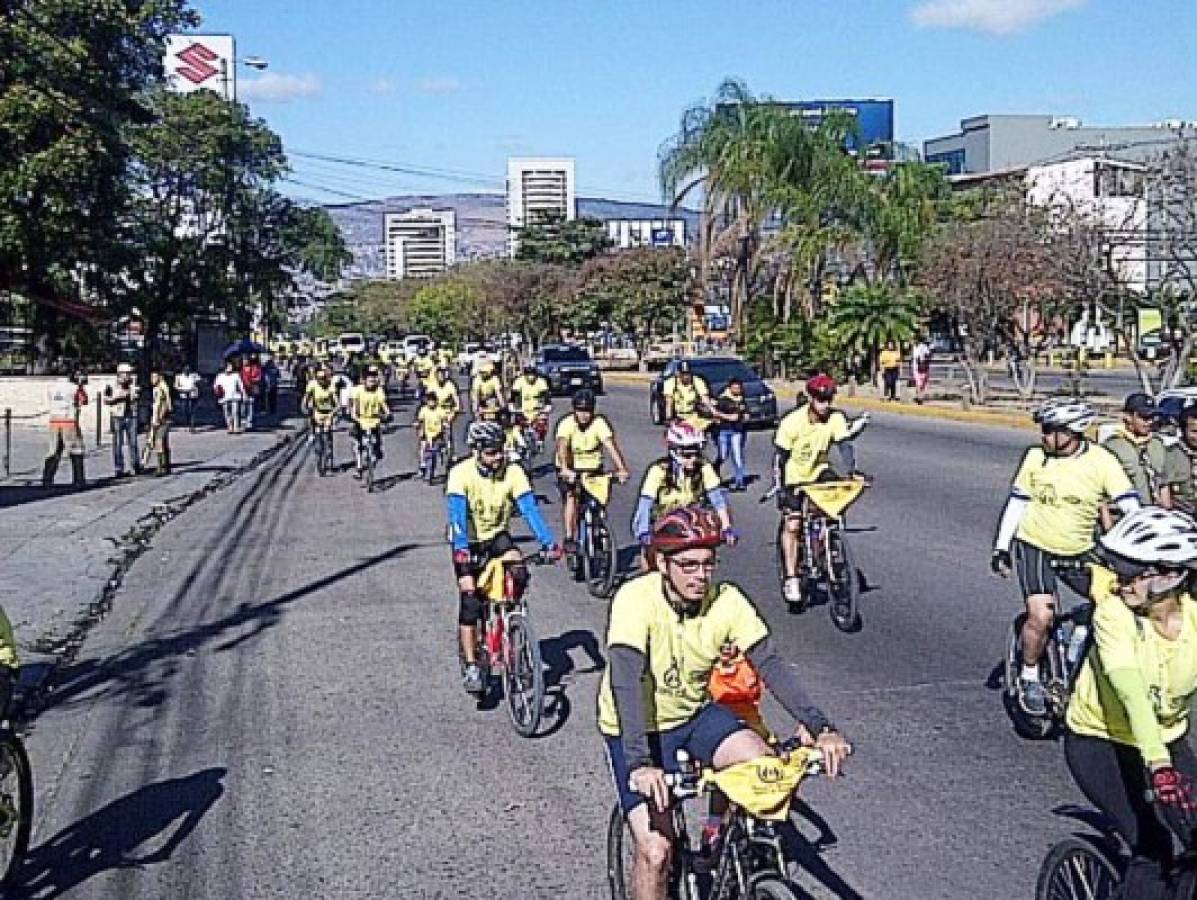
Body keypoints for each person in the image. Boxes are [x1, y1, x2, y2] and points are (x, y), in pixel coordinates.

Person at [599, 506, 850, 900]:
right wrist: (640, 763)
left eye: (707, 563)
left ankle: (723, 841)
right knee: (655, 851)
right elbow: (625, 681)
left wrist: (822, 728)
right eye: (688, 565)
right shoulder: (635, 599)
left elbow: (769, 663)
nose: (700, 575)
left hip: (694, 714)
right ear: (662, 564)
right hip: (638, 731)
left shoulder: (727, 600)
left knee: (763, 764)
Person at [1064, 508, 1197, 899]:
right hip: (1099, 740)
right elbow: (1131, 693)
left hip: (1167, 739)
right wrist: (1158, 764)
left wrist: (1163, 756)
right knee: (1152, 848)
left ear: (1169, 576)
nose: (1118, 583)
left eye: (1128, 574)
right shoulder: (1113, 615)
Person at [991, 398, 1141, 717]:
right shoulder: (1035, 458)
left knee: (1116, 604)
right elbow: (1017, 503)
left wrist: (1144, 545)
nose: (1043, 437)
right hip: (1035, 547)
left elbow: (1130, 505)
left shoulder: (1102, 461)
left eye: (1050, 430)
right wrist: (1001, 547)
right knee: (1041, 617)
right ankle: (1030, 675)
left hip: (1080, 549)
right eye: (1043, 430)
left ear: (1072, 432)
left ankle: (1077, 649)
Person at [446, 421, 559, 694]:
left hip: (497, 537)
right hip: (468, 542)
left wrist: (549, 542)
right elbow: (457, 517)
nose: (498, 458)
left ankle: (512, 619)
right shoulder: (461, 474)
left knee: (519, 569)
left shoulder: (513, 472)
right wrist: (462, 553)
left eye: (500, 452)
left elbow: (529, 509)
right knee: (471, 601)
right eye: (491, 453)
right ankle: (473, 664)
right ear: (477, 452)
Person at [774, 374, 868, 606]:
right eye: (820, 399)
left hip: (820, 472)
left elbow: (845, 446)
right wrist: (782, 488)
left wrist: (852, 472)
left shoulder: (836, 419)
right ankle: (792, 577)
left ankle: (829, 543)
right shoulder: (792, 423)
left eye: (828, 399)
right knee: (793, 524)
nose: (825, 404)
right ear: (810, 398)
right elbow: (781, 459)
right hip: (795, 477)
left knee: (834, 504)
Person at [633, 421, 732, 549]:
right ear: (674, 452)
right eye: (687, 455)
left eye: (696, 454)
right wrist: (643, 532)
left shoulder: (704, 466)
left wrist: (726, 528)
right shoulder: (658, 470)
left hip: (693, 523)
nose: (693, 459)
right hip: (662, 525)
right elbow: (645, 504)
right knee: (653, 561)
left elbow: (717, 499)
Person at [555, 389, 631, 555]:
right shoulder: (567, 424)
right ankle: (569, 537)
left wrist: (622, 468)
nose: (584, 415)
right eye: (580, 410)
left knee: (599, 500)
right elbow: (562, 446)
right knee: (572, 497)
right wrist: (564, 468)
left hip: (593, 470)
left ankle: (599, 531)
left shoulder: (599, 423)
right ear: (574, 410)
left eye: (587, 411)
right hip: (571, 470)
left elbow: (610, 446)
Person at [1102, 393, 1185, 508]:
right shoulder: (1112, 447)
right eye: (1144, 417)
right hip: (1125, 512)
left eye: (1152, 417)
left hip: (1155, 512)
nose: (1149, 422)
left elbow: (1163, 482)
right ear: (1128, 417)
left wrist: (1167, 510)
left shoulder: (1157, 444)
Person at [42, 370, 88, 490]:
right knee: (76, 451)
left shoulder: (51, 388)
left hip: (54, 421)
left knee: (54, 452)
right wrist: (81, 386)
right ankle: (79, 480)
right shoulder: (74, 388)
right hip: (69, 421)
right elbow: (83, 400)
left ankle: (47, 479)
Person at [348, 366, 390, 478]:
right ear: (364, 381)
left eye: (374, 380)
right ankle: (359, 467)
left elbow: (384, 404)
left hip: (374, 420)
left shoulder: (379, 390)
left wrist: (387, 414)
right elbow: (352, 405)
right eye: (370, 380)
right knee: (357, 444)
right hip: (360, 420)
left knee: (377, 450)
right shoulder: (357, 390)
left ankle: (372, 464)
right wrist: (353, 415)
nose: (372, 383)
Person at [711, 377, 749, 491]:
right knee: (723, 455)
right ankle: (714, 472)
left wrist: (745, 416)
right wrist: (727, 417)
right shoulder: (723, 400)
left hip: (737, 431)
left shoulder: (742, 400)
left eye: (739, 387)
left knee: (737, 457)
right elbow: (715, 415)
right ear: (730, 387)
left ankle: (740, 482)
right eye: (735, 387)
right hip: (724, 431)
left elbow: (743, 414)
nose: (738, 390)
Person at [105, 363, 140, 476]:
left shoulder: (133, 383)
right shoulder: (111, 385)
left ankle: (135, 465)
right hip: (117, 415)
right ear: (120, 374)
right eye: (126, 373)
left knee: (133, 442)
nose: (128, 376)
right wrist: (118, 397)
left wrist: (134, 393)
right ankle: (118, 467)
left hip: (131, 415)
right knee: (118, 443)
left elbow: (137, 396)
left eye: (129, 374)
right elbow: (106, 399)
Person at [302, 366, 339, 466]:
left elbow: (337, 402)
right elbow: (306, 398)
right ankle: (313, 438)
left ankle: (328, 449)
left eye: (323, 378)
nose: (321, 381)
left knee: (327, 431)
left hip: (328, 412)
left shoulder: (331, 386)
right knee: (316, 428)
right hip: (317, 411)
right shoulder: (312, 384)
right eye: (319, 379)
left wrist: (334, 411)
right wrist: (304, 407)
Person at [661, 360, 711, 429]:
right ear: (678, 374)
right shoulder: (670, 382)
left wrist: (712, 411)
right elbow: (669, 403)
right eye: (683, 374)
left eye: (688, 374)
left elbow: (705, 399)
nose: (686, 377)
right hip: (677, 417)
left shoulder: (697, 381)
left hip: (694, 417)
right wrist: (668, 418)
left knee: (700, 436)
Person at [415, 392, 450, 477]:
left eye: (433, 401)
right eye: (429, 401)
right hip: (427, 434)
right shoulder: (423, 410)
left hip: (438, 434)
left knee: (440, 450)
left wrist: (446, 425)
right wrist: (418, 427)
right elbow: (420, 421)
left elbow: (445, 421)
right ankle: (423, 465)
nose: (431, 403)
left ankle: (443, 462)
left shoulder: (440, 411)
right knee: (423, 449)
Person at [428, 365, 461, 447]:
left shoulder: (450, 385)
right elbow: (428, 399)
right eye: (438, 375)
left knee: (447, 428)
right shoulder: (432, 385)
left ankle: (450, 450)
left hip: (447, 410)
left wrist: (456, 408)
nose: (440, 377)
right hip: (435, 410)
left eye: (442, 375)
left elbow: (456, 400)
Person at [148, 370, 172, 476]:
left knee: (159, 442)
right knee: (163, 442)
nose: (152, 379)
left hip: (162, 420)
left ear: (160, 377)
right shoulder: (158, 388)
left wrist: (159, 418)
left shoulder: (162, 388)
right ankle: (166, 466)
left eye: (154, 377)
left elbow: (165, 404)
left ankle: (161, 467)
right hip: (159, 418)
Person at [214, 362, 246, 434]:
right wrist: (218, 391)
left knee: (235, 412)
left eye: (231, 367)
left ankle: (236, 427)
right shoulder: (220, 376)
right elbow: (215, 386)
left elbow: (241, 385)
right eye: (228, 367)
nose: (230, 368)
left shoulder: (236, 375)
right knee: (227, 413)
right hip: (224, 397)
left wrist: (244, 394)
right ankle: (229, 426)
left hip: (235, 396)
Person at [172, 365, 200, 432]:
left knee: (192, 410)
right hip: (183, 395)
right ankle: (187, 423)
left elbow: (199, 382)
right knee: (185, 410)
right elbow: (175, 386)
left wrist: (196, 387)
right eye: (185, 368)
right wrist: (181, 389)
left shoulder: (194, 375)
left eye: (188, 368)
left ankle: (192, 425)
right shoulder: (178, 376)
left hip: (193, 395)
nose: (187, 370)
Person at [239, 355, 263, 429]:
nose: (244, 362)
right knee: (243, 406)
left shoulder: (255, 368)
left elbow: (259, 377)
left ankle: (249, 422)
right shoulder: (241, 370)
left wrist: (253, 380)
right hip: (243, 390)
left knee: (250, 406)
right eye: (243, 360)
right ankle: (243, 421)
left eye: (246, 360)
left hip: (252, 389)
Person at [911, 336, 932, 404]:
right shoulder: (913, 347)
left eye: (915, 340)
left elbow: (928, 354)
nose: (914, 341)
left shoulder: (923, 346)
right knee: (918, 383)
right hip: (916, 367)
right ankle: (919, 397)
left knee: (922, 384)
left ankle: (920, 397)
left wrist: (923, 359)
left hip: (923, 367)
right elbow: (914, 358)